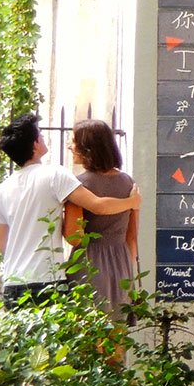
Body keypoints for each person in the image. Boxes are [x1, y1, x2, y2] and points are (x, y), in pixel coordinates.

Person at [0, 114, 141, 307]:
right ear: (35, 144)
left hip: (13, 283)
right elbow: (97, 205)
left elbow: (2, 243)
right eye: (41, 136)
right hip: (48, 279)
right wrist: (132, 202)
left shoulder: (1, 189)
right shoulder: (56, 175)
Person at [60, 120, 139, 318]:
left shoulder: (79, 185)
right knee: (117, 336)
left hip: (89, 262)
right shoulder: (128, 182)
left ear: (87, 148)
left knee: (88, 335)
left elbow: (73, 236)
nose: (70, 146)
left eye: (74, 142)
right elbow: (132, 236)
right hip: (122, 263)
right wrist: (128, 269)